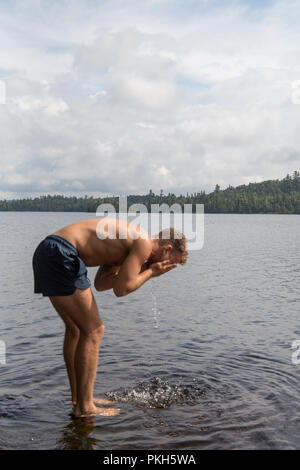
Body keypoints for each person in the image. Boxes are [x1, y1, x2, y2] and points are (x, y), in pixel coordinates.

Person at [32, 217, 187, 418]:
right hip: (62, 253)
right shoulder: (143, 243)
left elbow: (102, 284)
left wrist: (136, 271)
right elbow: (121, 291)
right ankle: (86, 407)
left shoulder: (128, 245)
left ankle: (79, 399)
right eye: (168, 264)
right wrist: (151, 273)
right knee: (94, 330)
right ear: (166, 249)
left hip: (49, 250)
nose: (164, 268)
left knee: (76, 330)